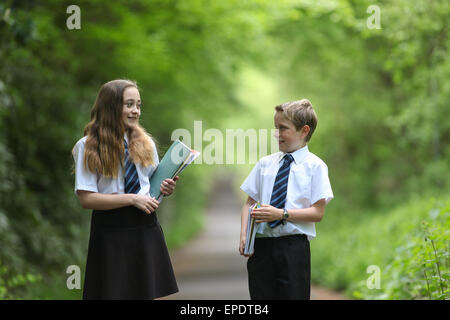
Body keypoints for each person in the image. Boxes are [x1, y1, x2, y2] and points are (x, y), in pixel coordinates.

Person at [72, 79, 179, 299]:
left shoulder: (146, 143)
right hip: (111, 229)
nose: (135, 111)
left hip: (145, 225)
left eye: (138, 105)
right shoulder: (87, 146)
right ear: (111, 106)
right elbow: (87, 199)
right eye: (129, 104)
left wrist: (164, 189)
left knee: (144, 294)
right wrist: (131, 199)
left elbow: (150, 189)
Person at [239, 99, 334, 300]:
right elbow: (249, 202)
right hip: (261, 248)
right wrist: (244, 235)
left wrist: (281, 214)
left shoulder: (315, 166)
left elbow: (318, 212)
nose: (277, 134)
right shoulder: (265, 164)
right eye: (276, 128)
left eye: (283, 128)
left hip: (293, 249)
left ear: (304, 130)